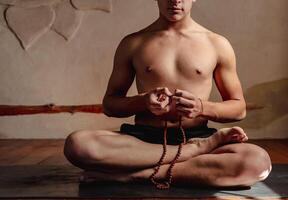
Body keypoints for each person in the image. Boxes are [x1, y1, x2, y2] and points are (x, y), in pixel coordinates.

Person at [64, 0, 272, 188]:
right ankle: (192, 153)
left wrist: (201, 107)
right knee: (77, 145)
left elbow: (238, 108)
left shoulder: (217, 44)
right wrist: (143, 102)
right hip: (143, 142)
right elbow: (110, 105)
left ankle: (138, 175)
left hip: (195, 136)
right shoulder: (133, 43)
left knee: (258, 162)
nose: (175, 0)